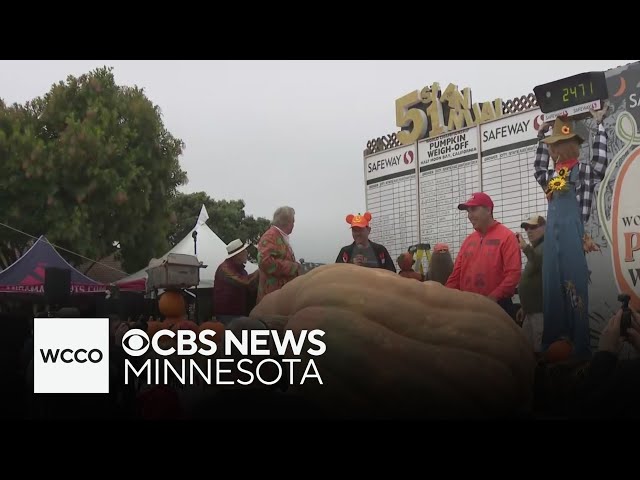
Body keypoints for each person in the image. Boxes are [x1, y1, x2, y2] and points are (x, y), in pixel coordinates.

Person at [534, 108, 608, 360]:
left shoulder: (584, 170)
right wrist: (541, 136)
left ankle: (579, 347)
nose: (557, 150)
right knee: (552, 287)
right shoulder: (552, 176)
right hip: (552, 240)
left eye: (559, 145)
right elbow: (538, 169)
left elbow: (600, 164)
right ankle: (553, 342)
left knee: (575, 286)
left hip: (573, 235)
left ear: (573, 146)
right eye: (553, 147)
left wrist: (599, 126)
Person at [445, 192, 521, 316]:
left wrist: (493, 298)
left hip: (498, 307)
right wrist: (444, 296)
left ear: (488, 210)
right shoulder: (468, 241)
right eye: (468, 211)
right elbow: (456, 275)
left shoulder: (507, 237)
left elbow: (513, 274)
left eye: (473, 209)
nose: (469, 215)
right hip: (467, 307)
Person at [256, 206, 300, 304]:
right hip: (271, 298)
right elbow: (264, 262)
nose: (293, 225)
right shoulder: (271, 236)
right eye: (293, 221)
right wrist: (293, 267)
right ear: (286, 222)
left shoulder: (279, 236)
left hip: (278, 296)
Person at [516, 215, 546, 353]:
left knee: (538, 349)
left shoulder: (546, 246)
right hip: (531, 311)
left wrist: (525, 248)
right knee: (525, 347)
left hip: (540, 311)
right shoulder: (536, 248)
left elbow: (540, 263)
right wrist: (524, 307)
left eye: (533, 227)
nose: (528, 231)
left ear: (545, 228)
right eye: (526, 228)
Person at [212, 239, 259, 325]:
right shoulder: (225, 269)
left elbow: (249, 287)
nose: (246, 253)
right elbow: (245, 282)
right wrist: (260, 271)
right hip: (227, 314)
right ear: (237, 255)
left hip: (239, 312)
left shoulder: (241, 270)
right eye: (244, 251)